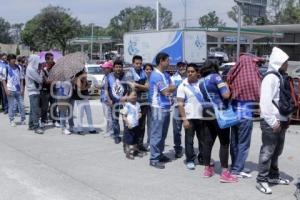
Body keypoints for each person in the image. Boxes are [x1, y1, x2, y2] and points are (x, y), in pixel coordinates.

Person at [256, 47, 291, 194]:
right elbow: (265, 103)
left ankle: (273, 176)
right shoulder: (270, 78)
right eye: (285, 62)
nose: (287, 64)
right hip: (272, 122)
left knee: (277, 151)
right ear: (279, 62)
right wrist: (273, 122)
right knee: (267, 151)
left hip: (281, 120)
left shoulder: (279, 76)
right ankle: (261, 180)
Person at [199, 60, 238, 183]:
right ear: (214, 67)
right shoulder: (216, 77)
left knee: (208, 142)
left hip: (207, 112)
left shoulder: (201, 82)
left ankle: (207, 169)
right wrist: (230, 90)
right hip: (219, 112)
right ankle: (225, 173)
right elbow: (226, 95)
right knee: (224, 142)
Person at [227, 55, 261, 178]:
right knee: (244, 143)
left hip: (234, 114)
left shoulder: (233, 74)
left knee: (234, 141)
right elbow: (258, 94)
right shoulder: (251, 76)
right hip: (246, 115)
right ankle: (237, 169)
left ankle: (235, 165)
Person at [149, 52, 176, 169]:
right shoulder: (156, 75)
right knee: (156, 134)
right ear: (161, 61)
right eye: (167, 61)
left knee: (163, 134)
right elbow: (165, 91)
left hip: (166, 107)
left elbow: (173, 87)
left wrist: (170, 88)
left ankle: (160, 154)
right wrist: (170, 88)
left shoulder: (165, 74)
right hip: (158, 108)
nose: (169, 63)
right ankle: (154, 158)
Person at [177, 63, 204, 170]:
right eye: (188, 71)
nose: (190, 73)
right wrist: (184, 120)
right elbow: (180, 104)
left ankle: (202, 158)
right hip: (189, 117)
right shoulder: (182, 85)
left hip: (202, 117)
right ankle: (190, 159)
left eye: (192, 71)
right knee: (189, 140)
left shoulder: (201, 84)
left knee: (203, 140)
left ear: (197, 73)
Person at [125, 55, 149, 152]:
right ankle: (132, 146)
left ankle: (140, 144)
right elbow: (132, 88)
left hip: (143, 103)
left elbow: (147, 87)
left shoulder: (144, 73)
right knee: (132, 124)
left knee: (142, 125)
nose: (139, 65)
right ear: (133, 63)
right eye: (137, 63)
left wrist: (138, 85)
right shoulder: (129, 73)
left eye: (140, 63)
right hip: (132, 104)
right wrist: (142, 86)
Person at [106, 60, 129, 144]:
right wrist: (109, 99)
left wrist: (126, 97)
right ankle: (116, 136)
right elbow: (106, 89)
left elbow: (129, 88)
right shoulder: (109, 76)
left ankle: (126, 136)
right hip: (113, 103)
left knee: (125, 120)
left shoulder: (126, 76)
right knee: (115, 120)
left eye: (120, 67)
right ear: (113, 67)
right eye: (116, 67)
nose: (118, 68)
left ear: (122, 67)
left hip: (124, 103)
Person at [2, 54, 26, 127]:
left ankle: (23, 119)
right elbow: (3, 80)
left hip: (18, 89)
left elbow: (21, 79)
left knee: (21, 105)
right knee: (11, 106)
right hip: (10, 90)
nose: (14, 60)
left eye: (14, 59)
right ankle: (11, 120)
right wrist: (6, 90)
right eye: (12, 59)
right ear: (9, 60)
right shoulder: (5, 68)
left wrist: (22, 88)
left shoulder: (19, 67)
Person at [170, 61, 187, 159]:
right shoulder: (173, 78)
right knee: (177, 130)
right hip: (177, 106)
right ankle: (178, 149)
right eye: (179, 66)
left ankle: (189, 148)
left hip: (188, 107)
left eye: (183, 65)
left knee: (189, 129)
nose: (181, 67)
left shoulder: (190, 77)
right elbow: (170, 92)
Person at [73, 70, 97, 135]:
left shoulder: (84, 79)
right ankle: (79, 129)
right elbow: (80, 89)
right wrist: (85, 83)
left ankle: (91, 128)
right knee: (80, 114)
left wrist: (86, 82)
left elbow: (86, 88)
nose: (86, 73)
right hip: (80, 99)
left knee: (89, 113)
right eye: (85, 72)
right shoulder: (77, 79)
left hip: (85, 98)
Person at [121, 90, 143, 159]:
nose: (134, 97)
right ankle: (128, 153)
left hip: (136, 125)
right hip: (129, 126)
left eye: (135, 95)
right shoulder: (127, 105)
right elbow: (124, 116)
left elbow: (139, 112)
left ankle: (135, 151)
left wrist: (140, 114)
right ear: (128, 97)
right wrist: (128, 123)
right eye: (132, 95)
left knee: (135, 139)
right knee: (128, 140)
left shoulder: (138, 104)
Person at [25, 55, 44, 134]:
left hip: (34, 91)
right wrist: (41, 73)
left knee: (33, 109)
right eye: (38, 61)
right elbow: (40, 80)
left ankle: (31, 124)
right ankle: (36, 127)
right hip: (33, 91)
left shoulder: (32, 68)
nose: (39, 63)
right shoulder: (31, 69)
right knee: (36, 110)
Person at [40, 53, 59, 128]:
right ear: (46, 59)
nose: (52, 60)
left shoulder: (55, 67)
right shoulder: (42, 67)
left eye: (53, 59)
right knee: (44, 107)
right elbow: (45, 81)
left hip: (53, 89)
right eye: (51, 59)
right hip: (45, 90)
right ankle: (43, 121)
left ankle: (55, 121)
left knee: (54, 106)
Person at [100, 60, 114, 138]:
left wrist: (109, 99)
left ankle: (111, 131)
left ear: (109, 68)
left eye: (105, 68)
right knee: (107, 116)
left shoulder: (110, 77)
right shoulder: (105, 76)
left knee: (109, 116)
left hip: (107, 99)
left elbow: (110, 89)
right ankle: (108, 130)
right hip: (103, 98)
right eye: (103, 68)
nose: (103, 69)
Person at [143, 63, 153, 149]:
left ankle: (150, 141)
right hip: (142, 104)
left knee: (150, 124)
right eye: (147, 69)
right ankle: (140, 142)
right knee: (141, 124)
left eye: (150, 69)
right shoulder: (141, 79)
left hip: (151, 105)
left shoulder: (154, 79)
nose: (148, 71)